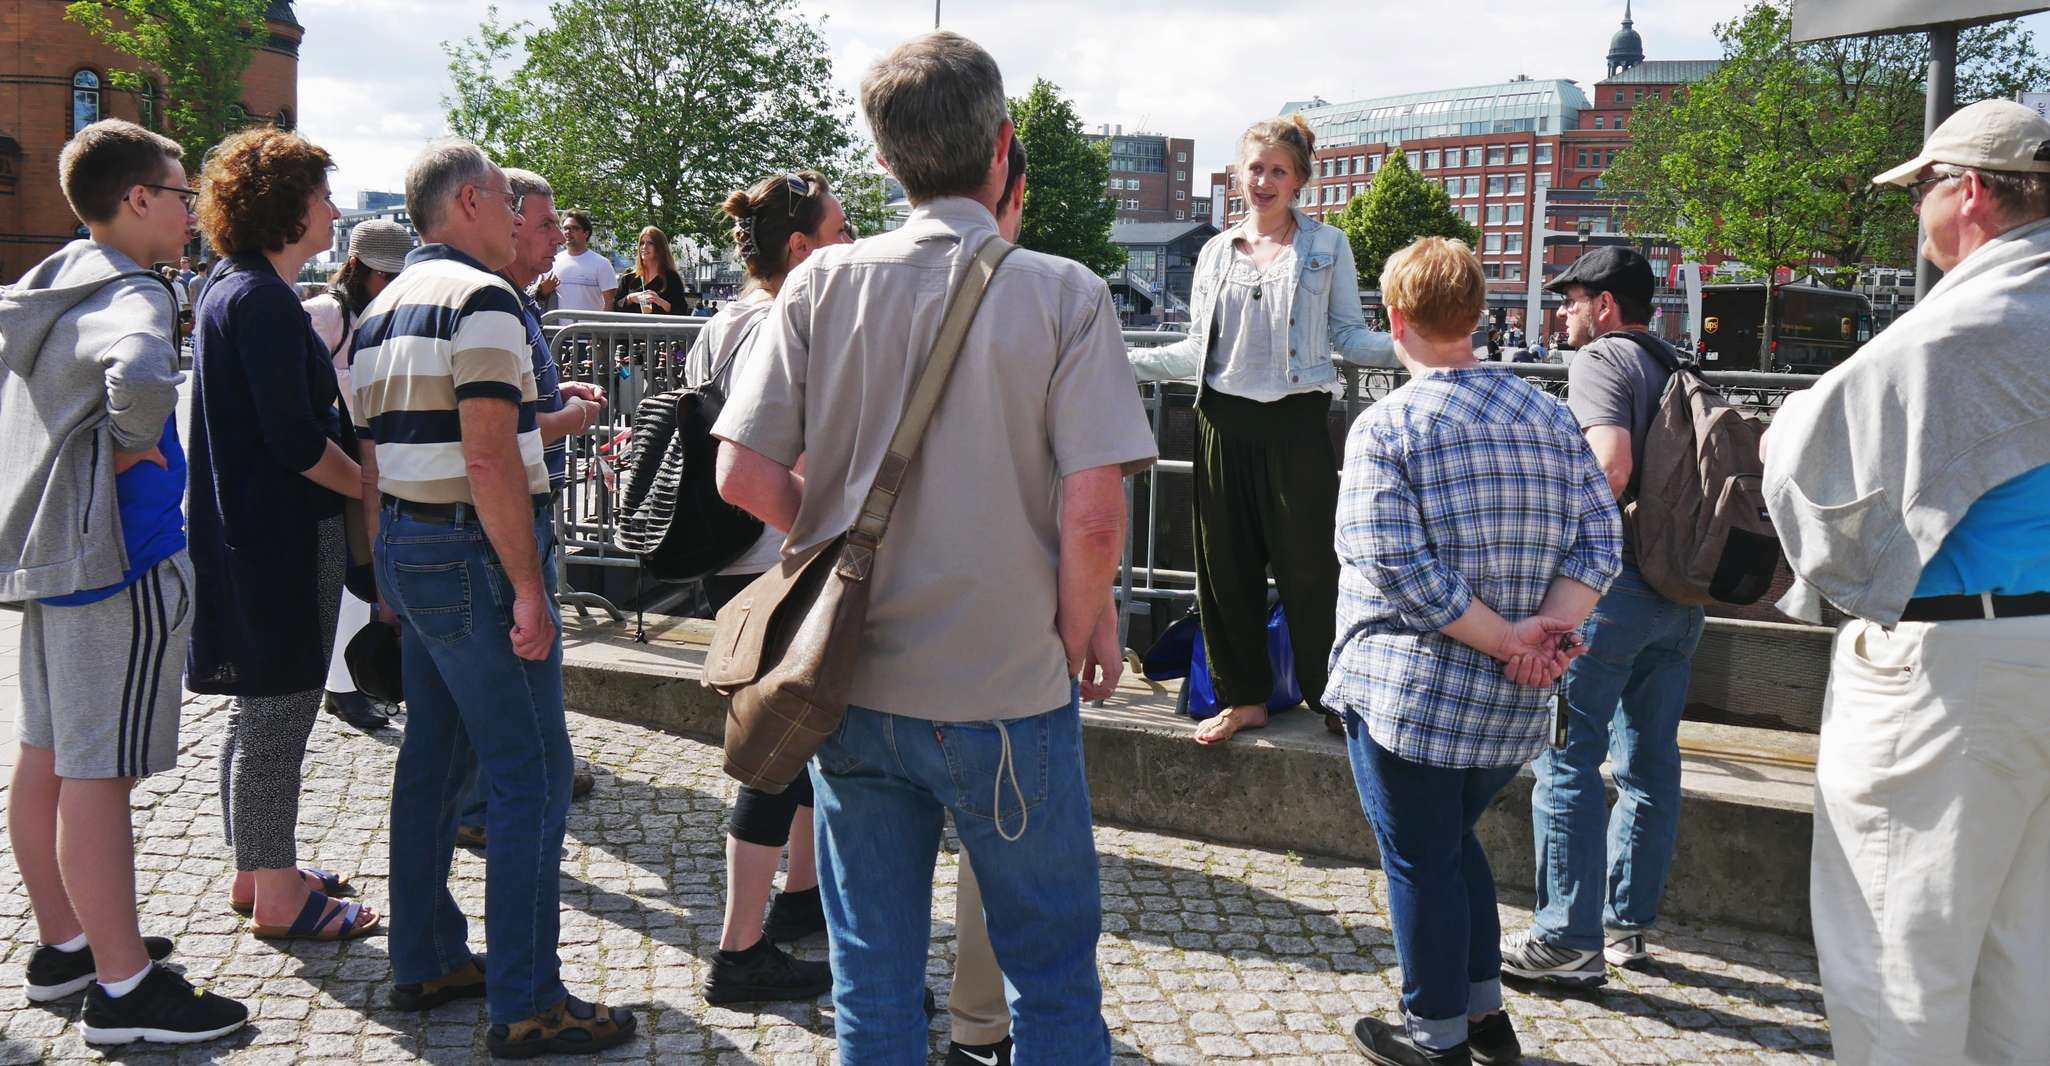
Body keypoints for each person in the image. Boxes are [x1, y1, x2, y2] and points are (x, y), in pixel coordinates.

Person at [713, 31, 1155, 1064]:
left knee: (871, 976)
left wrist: (831, 544)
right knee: (1049, 978)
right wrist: (1085, 621)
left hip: (853, 677)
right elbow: (1092, 512)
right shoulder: (1063, 291)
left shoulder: (821, 284)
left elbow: (740, 470)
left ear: (882, 159)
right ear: (1003, 147)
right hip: (1005, 683)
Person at [1763, 98, 2050, 1066]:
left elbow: (1807, 456)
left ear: (1968, 190)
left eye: (1922, 186)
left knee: (1894, 955)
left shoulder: (1961, 327)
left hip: (1954, 671)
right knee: (2024, 962)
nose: (1915, 208)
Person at [352, 138, 636, 1058]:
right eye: (509, 205)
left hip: (408, 543)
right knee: (534, 772)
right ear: (470, 201)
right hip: (472, 554)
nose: (521, 222)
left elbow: (373, 460)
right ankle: (526, 1000)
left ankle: (428, 954)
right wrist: (528, 589)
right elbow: (488, 457)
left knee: (433, 757)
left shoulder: (383, 304)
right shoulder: (482, 299)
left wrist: (386, 576)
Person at [1331, 236, 1620, 1066]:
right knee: (1454, 846)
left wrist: (1507, 637)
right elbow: (1601, 537)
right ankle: (1486, 1017)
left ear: (1394, 318)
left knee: (1420, 860)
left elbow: (1393, 562)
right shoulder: (1548, 412)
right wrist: (1546, 635)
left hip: (1414, 693)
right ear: (1479, 315)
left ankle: (1434, 1034)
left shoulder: (1388, 425)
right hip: (1516, 698)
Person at [1, 118, 248, 1046]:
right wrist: (130, 444)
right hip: (119, 562)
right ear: (138, 199)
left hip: (55, 558)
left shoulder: (51, 280)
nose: (191, 213)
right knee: (97, 773)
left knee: (49, 756)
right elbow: (142, 376)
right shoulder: (134, 289)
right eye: (183, 195)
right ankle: (124, 989)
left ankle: (67, 946)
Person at [1128, 113, 1398, 745]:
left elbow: (1349, 338)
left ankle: (1331, 695)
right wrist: (1121, 357)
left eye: (1278, 170)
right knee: (1224, 567)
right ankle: (1242, 697)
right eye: (1255, 168)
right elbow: (1197, 351)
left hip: (1296, 421)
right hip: (1222, 420)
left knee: (1310, 566)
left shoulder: (1327, 247)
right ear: (1237, 175)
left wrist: (1420, 348)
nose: (1264, 180)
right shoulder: (1217, 252)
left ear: (1299, 180)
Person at [185, 127, 375, 943]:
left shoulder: (234, 288)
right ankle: (278, 898)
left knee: (256, 710)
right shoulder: (259, 299)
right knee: (280, 715)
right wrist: (370, 486)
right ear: (287, 207)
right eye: (323, 194)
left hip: (250, 536)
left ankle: (257, 868)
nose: (334, 208)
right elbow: (297, 443)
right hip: (281, 542)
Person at [1499, 246, 1705, 987]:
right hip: (1680, 595)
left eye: (1572, 298)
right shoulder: (1678, 364)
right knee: (1651, 764)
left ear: (1606, 306)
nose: (1561, 312)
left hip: (1615, 592)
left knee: (1566, 756)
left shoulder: (1602, 362)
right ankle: (1624, 926)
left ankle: (1565, 939)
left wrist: (1563, 545)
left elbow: (1609, 464)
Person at [685, 170, 849, 1010]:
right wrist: (812, 537)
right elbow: (753, 468)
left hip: (744, 562)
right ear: (801, 248)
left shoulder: (722, 321)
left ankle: (796, 902)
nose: (853, 249)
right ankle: (739, 951)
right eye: (841, 233)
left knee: (792, 749)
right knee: (774, 758)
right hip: (771, 563)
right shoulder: (782, 322)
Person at [450, 166, 607, 850]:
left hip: (514, 501)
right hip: (501, 512)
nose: (553, 238)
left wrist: (555, 391)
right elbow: (492, 435)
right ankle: (493, 803)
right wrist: (567, 419)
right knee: (518, 647)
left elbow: (515, 402)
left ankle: (542, 765)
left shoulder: (515, 302)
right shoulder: (491, 304)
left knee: (529, 654)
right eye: (543, 224)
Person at [304, 218, 414, 733]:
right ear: (356, 268)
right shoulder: (327, 314)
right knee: (355, 574)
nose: (389, 285)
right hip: (338, 464)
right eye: (381, 275)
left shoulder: (381, 315)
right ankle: (343, 687)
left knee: (366, 575)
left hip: (374, 460)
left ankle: (349, 682)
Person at [547, 208, 615, 314]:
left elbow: (610, 302)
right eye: (565, 228)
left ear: (586, 233)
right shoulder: (553, 261)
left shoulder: (602, 264)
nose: (568, 232)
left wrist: (601, 328)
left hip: (590, 329)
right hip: (558, 330)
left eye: (574, 228)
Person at [614, 225, 688, 315]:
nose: (644, 247)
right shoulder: (628, 276)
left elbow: (681, 311)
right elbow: (615, 307)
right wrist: (630, 298)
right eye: (642, 243)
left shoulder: (671, 278)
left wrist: (660, 302)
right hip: (631, 328)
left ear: (660, 247)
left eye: (650, 243)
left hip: (659, 328)